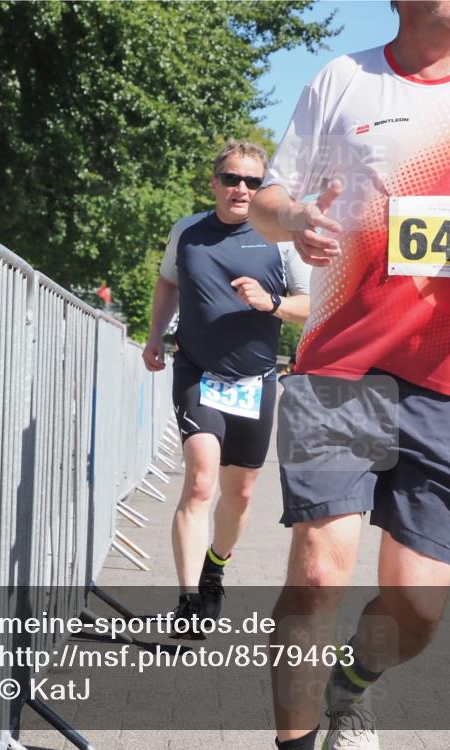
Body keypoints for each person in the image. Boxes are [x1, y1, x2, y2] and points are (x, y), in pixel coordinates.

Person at [249, 0, 450, 747]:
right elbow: (267, 198)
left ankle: (351, 685)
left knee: (418, 606)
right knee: (320, 573)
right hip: (341, 363)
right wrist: (291, 220)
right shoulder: (342, 80)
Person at [143, 140, 311, 637]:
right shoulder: (188, 231)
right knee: (199, 481)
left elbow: (309, 306)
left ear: (264, 190)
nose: (242, 189)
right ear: (215, 183)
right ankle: (190, 598)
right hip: (197, 371)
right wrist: (155, 335)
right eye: (233, 179)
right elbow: (168, 282)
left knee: (240, 494)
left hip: (256, 382)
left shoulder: (282, 240)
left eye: (254, 182)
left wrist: (270, 303)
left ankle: (216, 564)